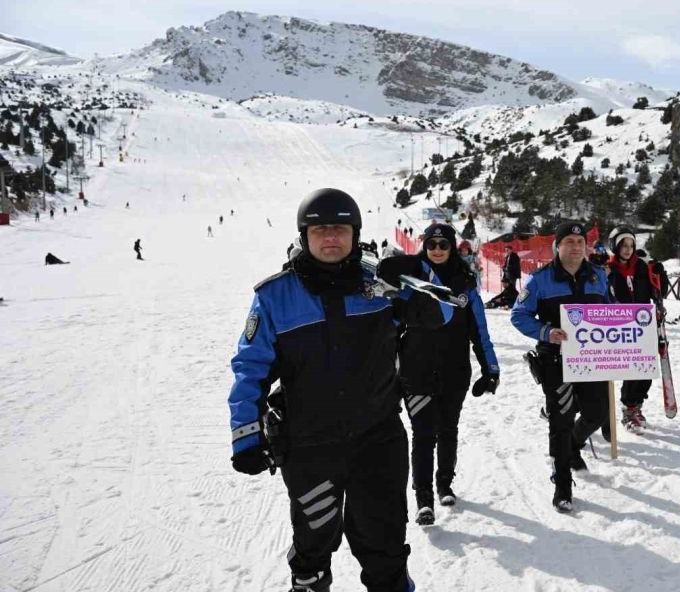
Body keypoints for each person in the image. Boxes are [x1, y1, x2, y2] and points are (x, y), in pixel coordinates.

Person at [228, 188, 446, 592]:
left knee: (385, 547)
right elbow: (250, 368)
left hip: (378, 441)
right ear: (304, 235)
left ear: (355, 233)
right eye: (321, 229)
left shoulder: (380, 286)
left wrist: (418, 282)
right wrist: (246, 434)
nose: (331, 238)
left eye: (340, 229)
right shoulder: (276, 296)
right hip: (311, 446)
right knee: (313, 544)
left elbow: (445, 310)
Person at [378, 224, 499, 526]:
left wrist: (490, 368)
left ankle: (445, 483)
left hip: (454, 370)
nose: (437, 250)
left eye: (443, 244)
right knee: (423, 433)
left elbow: (479, 329)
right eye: (431, 244)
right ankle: (424, 499)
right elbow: (390, 322)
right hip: (416, 370)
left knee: (448, 429)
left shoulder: (465, 283)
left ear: (452, 247)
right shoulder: (411, 278)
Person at [511, 220, 611, 513]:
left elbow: (610, 308)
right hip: (556, 361)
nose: (576, 247)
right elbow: (519, 315)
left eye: (581, 243)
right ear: (558, 246)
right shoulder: (539, 280)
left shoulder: (597, 276)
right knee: (561, 419)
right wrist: (546, 332)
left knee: (597, 412)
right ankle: (562, 484)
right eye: (569, 242)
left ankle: (573, 445)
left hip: (592, 359)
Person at [607, 227, 655, 434]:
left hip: (643, 323)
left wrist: (660, 277)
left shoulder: (642, 267)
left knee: (646, 368)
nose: (627, 250)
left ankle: (636, 406)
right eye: (623, 246)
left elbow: (656, 292)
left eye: (631, 246)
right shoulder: (609, 268)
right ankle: (629, 408)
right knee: (630, 367)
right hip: (620, 323)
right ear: (615, 247)